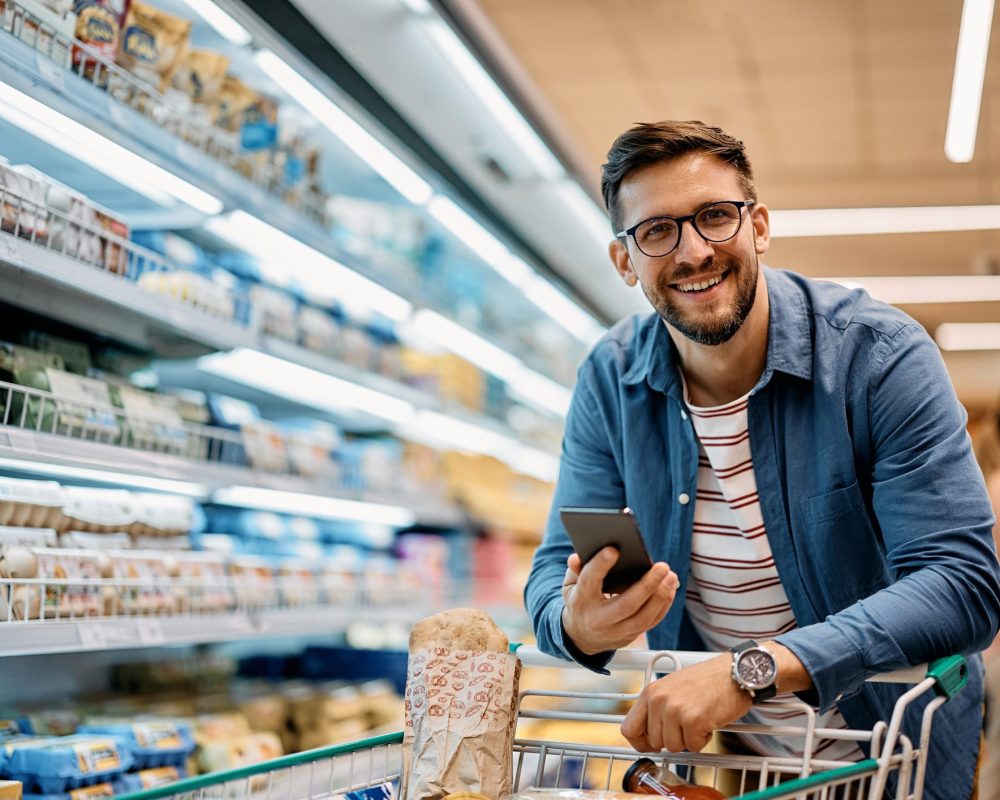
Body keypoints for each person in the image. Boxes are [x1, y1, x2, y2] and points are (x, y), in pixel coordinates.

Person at [524, 120, 1000, 800]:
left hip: (895, 756)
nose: (693, 251)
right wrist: (574, 622)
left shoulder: (878, 359)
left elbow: (964, 582)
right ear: (625, 261)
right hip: (740, 768)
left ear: (760, 226)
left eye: (715, 217)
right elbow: (551, 572)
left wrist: (752, 669)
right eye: (657, 231)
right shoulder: (612, 380)